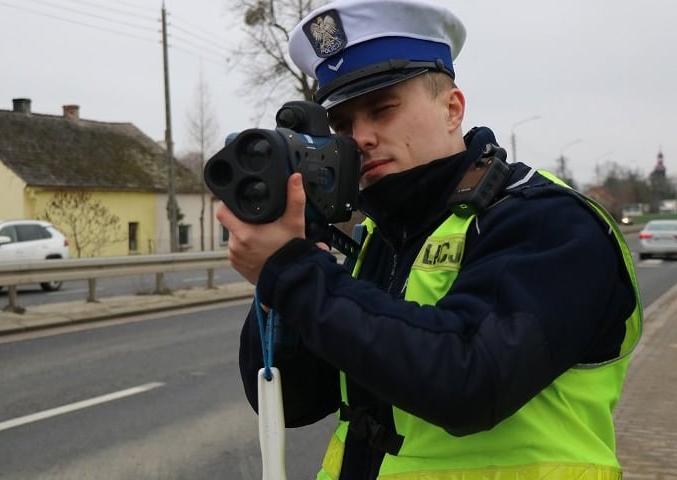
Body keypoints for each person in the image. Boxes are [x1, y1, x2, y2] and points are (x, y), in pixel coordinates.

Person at [215, 0, 642, 478]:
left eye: (382, 109)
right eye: (344, 125)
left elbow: (470, 381)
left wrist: (294, 274)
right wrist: (286, 272)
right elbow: (292, 402)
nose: (362, 138)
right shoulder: (376, 237)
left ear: (452, 108)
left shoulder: (547, 220)